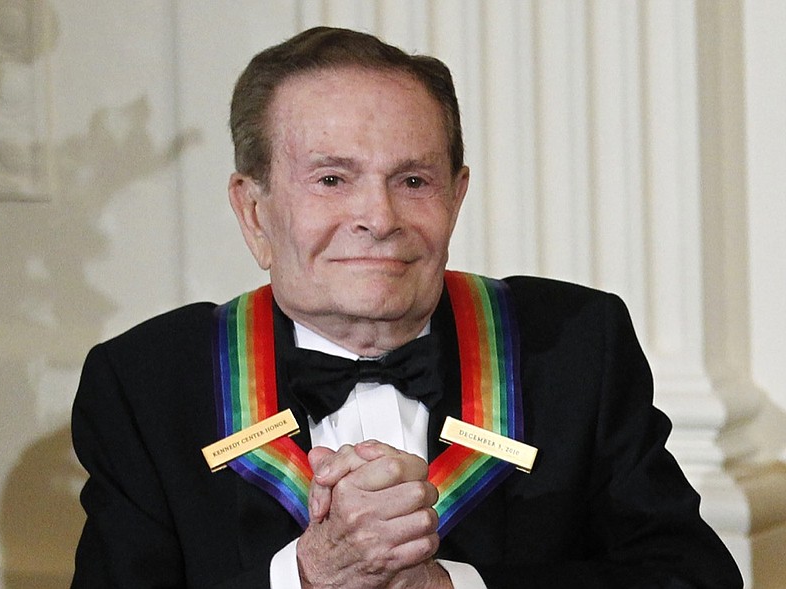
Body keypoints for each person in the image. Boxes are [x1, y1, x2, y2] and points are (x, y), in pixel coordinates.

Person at [70, 27, 742, 588]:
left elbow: (691, 576)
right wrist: (306, 575)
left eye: (413, 180)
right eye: (332, 179)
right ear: (254, 211)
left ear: (455, 196)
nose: (378, 216)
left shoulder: (573, 346)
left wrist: (453, 585)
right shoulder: (147, 383)